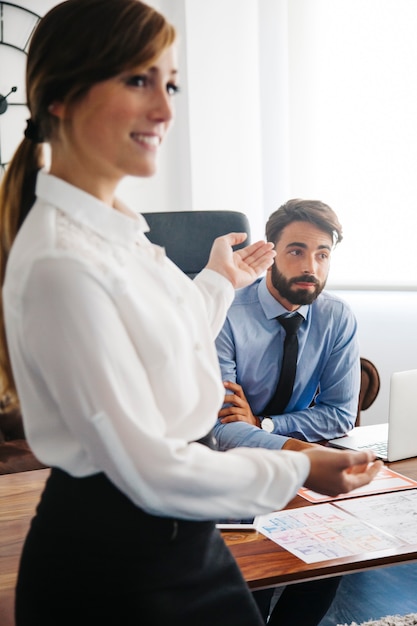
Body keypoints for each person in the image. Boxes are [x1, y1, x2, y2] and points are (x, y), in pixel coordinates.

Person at [0, 2, 382, 625]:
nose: (165, 110)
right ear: (62, 98)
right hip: (113, 565)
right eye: (137, 80)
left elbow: (164, 339)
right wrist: (298, 465)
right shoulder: (60, 262)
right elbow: (147, 468)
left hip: (181, 537)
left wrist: (216, 281)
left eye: (169, 84)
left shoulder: (120, 234)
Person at [214, 199, 360, 624]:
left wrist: (262, 424)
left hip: (289, 460)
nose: (310, 265)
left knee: (336, 547)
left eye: (322, 253)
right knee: (251, 581)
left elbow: (338, 415)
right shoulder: (225, 312)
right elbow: (219, 429)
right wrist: (300, 451)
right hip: (228, 466)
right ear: (271, 251)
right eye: (296, 250)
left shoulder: (336, 317)